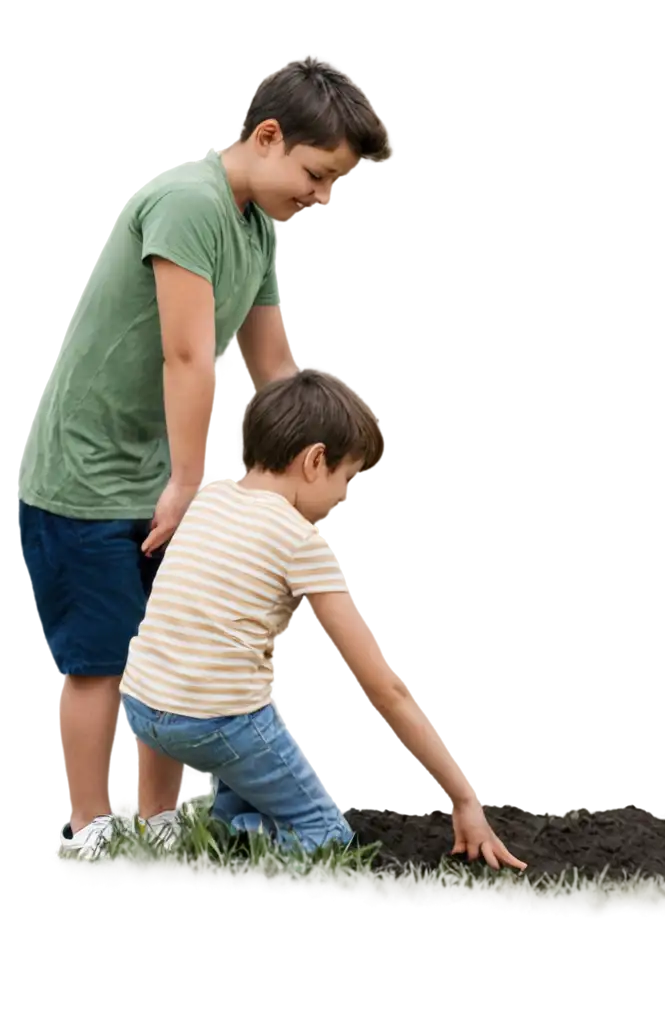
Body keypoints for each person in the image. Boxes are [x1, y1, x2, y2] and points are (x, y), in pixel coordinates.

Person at [15, 57, 391, 859]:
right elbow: (186, 359)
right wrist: (192, 483)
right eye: (317, 174)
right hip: (84, 478)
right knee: (98, 663)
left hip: (154, 475)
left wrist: (297, 484)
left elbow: (274, 369)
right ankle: (88, 829)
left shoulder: (255, 229)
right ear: (266, 137)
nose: (323, 197)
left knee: (165, 651)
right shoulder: (188, 203)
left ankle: (155, 823)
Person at [119, 371, 527, 872]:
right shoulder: (299, 540)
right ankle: (236, 848)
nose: (345, 496)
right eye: (347, 478)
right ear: (315, 461)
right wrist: (463, 797)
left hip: (142, 706)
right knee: (325, 836)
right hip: (213, 721)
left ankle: (224, 824)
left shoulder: (213, 493)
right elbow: (385, 690)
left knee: (249, 732)